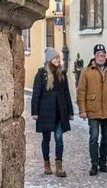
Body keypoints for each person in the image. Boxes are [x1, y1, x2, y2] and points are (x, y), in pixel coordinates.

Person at [77, 43, 107, 176]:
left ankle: (103, 163)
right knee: (94, 137)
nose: (101, 56)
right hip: (92, 109)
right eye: (98, 54)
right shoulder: (87, 71)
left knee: (106, 138)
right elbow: (81, 91)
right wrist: (82, 110)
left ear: (105, 55)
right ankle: (94, 164)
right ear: (94, 56)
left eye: (103, 54)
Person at [31, 46, 74, 177]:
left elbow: (66, 93)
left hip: (60, 112)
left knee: (59, 138)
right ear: (50, 59)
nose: (58, 60)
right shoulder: (41, 74)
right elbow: (36, 93)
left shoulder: (62, 74)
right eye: (55, 58)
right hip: (45, 112)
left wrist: (70, 111)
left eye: (58, 58)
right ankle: (47, 164)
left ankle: (59, 167)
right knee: (46, 139)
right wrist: (34, 111)